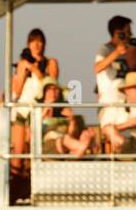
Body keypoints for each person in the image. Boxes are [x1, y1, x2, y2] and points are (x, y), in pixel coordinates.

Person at [10, 29, 61, 184]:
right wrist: (23, 72)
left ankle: (34, 181)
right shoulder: (22, 64)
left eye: (39, 41)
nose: (37, 45)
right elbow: (17, 90)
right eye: (33, 41)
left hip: (40, 111)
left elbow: (50, 84)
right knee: (19, 152)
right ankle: (17, 183)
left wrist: (35, 70)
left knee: (35, 148)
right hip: (22, 111)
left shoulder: (50, 63)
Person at [94, 15, 133, 130]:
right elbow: (97, 67)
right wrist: (116, 53)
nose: (129, 36)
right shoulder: (105, 49)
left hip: (124, 104)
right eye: (128, 33)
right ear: (118, 33)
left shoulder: (126, 51)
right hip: (109, 105)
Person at [38, 78, 95, 156]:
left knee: (85, 134)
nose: (53, 92)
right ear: (43, 93)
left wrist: (72, 120)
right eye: (49, 89)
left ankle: (79, 151)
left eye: (55, 89)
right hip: (49, 145)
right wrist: (44, 112)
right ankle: (82, 148)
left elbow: (71, 134)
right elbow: (31, 135)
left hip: (67, 143)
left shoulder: (64, 110)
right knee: (65, 140)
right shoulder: (36, 111)